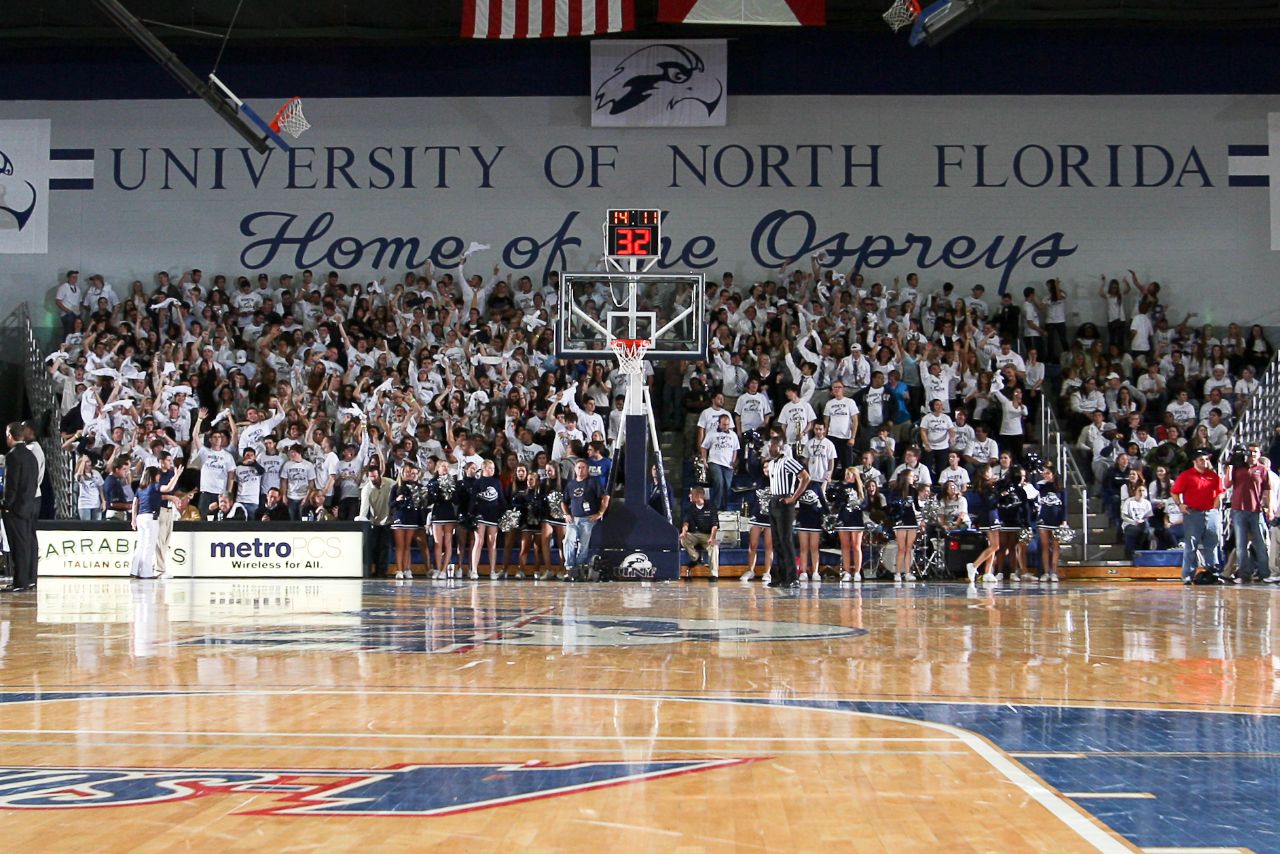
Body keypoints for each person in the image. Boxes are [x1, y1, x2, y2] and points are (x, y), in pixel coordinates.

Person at [1171, 447, 1225, 584]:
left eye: (1207, 459)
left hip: (1211, 512)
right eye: (1201, 459)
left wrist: (1219, 497)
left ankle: (1213, 573)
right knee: (1191, 545)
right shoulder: (1186, 475)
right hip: (1193, 513)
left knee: (1212, 544)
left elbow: (1221, 490)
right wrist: (1180, 505)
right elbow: (1174, 491)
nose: (1205, 462)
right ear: (1195, 461)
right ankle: (1187, 575)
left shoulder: (1213, 475)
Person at [765, 427, 808, 589]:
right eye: (769, 446)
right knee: (776, 541)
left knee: (786, 540)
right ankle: (781, 575)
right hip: (774, 500)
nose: (770, 449)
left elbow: (805, 477)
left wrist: (793, 498)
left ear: (779, 447)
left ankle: (792, 576)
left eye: (772, 446)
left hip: (785, 501)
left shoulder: (787, 460)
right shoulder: (771, 464)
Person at [1227, 442, 1273, 583]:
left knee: (1260, 545)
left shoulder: (1262, 470)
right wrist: (1229, 467)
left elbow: (1267, 490)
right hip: (1238, 510)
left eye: (1255, 452)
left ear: (1259, 454)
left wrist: (1269, 508)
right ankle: (1244, 575)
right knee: (1241, 545)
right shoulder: (1238, 467)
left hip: (1255, 510)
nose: (1252, 454)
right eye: (1250, 451)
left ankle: (1265, 574)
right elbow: (1227, 484)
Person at [2, 423, 40, 591]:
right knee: (26, 544)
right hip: (29, 505)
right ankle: (28, 579)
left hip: (16, 508)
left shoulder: (13, 456)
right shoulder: (31, 455)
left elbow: (12, 486)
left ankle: (20, 582)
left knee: (18, 545)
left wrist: (6, 505)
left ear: (10, 435)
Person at [561, 458, 609, 581]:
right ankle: (570, 567)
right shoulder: (571, 484)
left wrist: (600, 513)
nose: (580, 470)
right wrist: (566, 514)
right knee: (568, 541)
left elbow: (605, 497)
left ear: (587, 469)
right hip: (573, 519)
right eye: (578, 467)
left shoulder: (593, 482)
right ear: (575, 469)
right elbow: (563, 502)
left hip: (588, 519)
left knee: (583, 545)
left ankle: (579, 568)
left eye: (583, 467)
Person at [467, 458, 506, 580]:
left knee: (492, 543)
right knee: (478, 542)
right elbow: (473, 500)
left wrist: (507, 511)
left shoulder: (497, 482)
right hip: (481, 516)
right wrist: (470, 513)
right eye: (489, 468)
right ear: (483, 469)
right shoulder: (478, 483)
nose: (491, 470)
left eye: (493, 468)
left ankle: (492, 570)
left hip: (493, 516)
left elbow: (501, 499)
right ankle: (474, 570)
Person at [829, 466, 866, 583]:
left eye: (850, 474)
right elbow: (836, 502)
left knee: (856, 546)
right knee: (845, 546)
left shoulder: (860, 488)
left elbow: (866, 503)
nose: (847, 476)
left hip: (856, 519)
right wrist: (841, 499)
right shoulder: (840, 487)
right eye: (846, 473)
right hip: (843, 519)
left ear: (855, 476)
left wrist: (856, 504)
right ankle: (846, 572)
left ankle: (857, 571)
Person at [358, 462, 394, 578]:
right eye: (371, 477)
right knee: (375, 547)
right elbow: (364, 509)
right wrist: (362, 521)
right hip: (375, 521)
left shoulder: (390, 484)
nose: (373, 479)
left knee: (385, 546)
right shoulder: (366, 489)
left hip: (389, 520)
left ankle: (382, 571)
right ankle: (375, 569)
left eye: (375, 476)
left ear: (379, 475)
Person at [390, 462, 425, 580]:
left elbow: (421, 504)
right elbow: (390, 504)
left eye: (410, 472)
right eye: (406, 472)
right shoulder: (396, 487)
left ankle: (407, 569)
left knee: (407, 546)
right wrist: (397, 500)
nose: (409, 474)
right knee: (400, 546)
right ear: (401, 473)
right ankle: (399, 570)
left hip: (411, 518)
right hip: (399, 518)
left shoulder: (416, 487)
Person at [700, 413, 739, 512]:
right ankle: (716, 507)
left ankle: (724, 507)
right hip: (714, 461)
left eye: (727, 424)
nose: (726, 426)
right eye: (724, 424)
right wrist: (704, 460)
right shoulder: (711, 433)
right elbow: (704, 447)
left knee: (727, 485)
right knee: (719, 481)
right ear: (719, 423)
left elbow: (735, 449)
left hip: (728, 464)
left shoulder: (733, 435)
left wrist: (733, 461)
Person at [680, 486, 719, 580]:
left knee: (714, 547)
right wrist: (684, 531)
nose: (689, 495)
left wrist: (712, 537)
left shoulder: (711, 506)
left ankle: (713, 574)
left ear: (699, 495)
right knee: (683, 539)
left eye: (692, 494)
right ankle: (695, 558)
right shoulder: (690, 507)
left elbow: (715, 524)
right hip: (694, 534)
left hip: (707, 535)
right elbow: (686, 522)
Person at [740, 473, 773, 584]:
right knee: (752, 545)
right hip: (757, 516)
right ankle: (750, 570)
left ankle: (767, 572)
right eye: (764, 467)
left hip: (770, 517)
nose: (766, 470)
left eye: (768, 467)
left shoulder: (777, 481)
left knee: (769, 546)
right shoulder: (758, 481)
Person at [1035, 464, 1065, 583]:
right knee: (1045, 546)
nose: (1045, 475)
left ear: (1053, 474)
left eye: (1047, 473)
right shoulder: (1041, 486)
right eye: (1044, 473)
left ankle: (1054, 572)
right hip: (1043, 519)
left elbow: (1065, 505)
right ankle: (1046, 572)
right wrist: (1042, 481)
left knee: (1056, 546)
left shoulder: (1060, 488)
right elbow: (1032, 490)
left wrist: (1064, 520)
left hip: (1056, 520)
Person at [1120, 483, 1154, 559]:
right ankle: (1136, 552)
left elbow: (1148, 516)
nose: (1141, 492)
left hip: (1142, 524)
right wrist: (1134, 522)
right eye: (1139, 490)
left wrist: (1141, 522)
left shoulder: (1147, 503)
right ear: (1135, 491)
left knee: (1147, 530)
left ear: (1146, 493)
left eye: (1143, 490)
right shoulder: (1129, 501)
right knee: (1145, 532)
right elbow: (1123, 516)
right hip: (1129, 524)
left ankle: (1143, 554)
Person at [74, 455, 106, 521]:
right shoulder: (78, 474)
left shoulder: (96, 473)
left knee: (96, 527)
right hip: (84, 504)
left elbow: (100, 488)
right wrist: (83, 461)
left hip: (96, 504)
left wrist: (103, 501)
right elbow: (79, 476)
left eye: (89, 461)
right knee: (87, 527)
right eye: (87, 462)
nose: (89, 463)